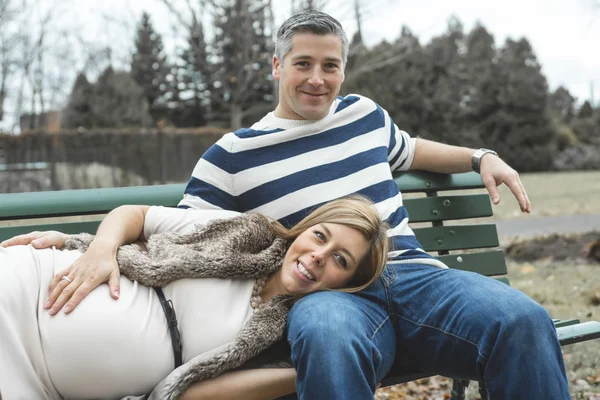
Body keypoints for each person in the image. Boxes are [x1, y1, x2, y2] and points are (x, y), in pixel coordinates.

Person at [19, 9, 570, 400]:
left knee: (521, 320)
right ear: (277, 66)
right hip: (328, 292)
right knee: (327, 342)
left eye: (330, 66)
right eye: (302, 63)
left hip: (414, 276)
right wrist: (80, 245)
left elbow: (414, 148)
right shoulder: (233, 155)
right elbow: (172, 242)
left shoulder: (364, 116)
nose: (317, 79)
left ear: (343, 71)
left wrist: (480, 156)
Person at [0, 196, 389, 400]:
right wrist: (99, 248)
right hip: (29, 292)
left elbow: (191, 395)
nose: (319, 255)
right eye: (320, 235)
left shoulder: (288, 336)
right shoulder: (247, 232)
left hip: (43, 385)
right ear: (305, 229)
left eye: (341, 259)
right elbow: (135, 214)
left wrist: (312, 365)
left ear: (346, 283)